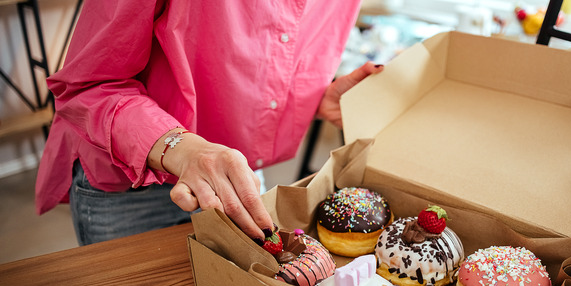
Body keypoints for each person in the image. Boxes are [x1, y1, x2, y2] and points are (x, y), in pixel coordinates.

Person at [35, 0, 381, 245]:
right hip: (130, 190)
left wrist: (314, 99)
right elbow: (91, 84)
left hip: (234, 175)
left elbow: (260, 59)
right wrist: (182, 150)